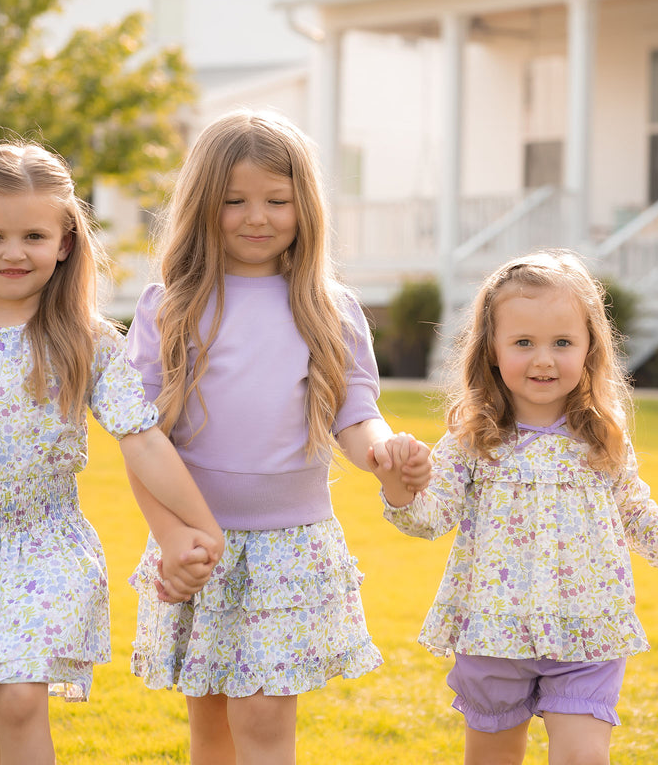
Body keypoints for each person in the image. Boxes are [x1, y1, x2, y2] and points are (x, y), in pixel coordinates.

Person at [0, 141, 224, 765]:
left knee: (18, 702)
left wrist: (201, 524)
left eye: (34, 235)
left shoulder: (83, 342)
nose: (14, 252)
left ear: (64, 242)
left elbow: (142, 439)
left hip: (45, 547)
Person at [125, 108, 430, 764]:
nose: (256, 217)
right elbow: (141, 441)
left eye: (276, 200)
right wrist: (172, 535)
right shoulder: (168, 308)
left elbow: (355, 412)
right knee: (211, 721)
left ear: (305, 206)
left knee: (262, 718)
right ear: (203, 205)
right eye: (234, 200)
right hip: (196, 542)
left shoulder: (328, 308)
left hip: (289, 548)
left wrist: (383, 452)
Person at [377, 250, 658, 765]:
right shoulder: (473, 439)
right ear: (492, 350)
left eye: (562, 343)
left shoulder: (602, 436)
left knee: (584, 756)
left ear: (589, 347)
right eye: (523, 343)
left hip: (587, 630)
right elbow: (430, 517)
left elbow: (634, 511)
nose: (543, 360)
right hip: (494, 631)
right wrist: (400, 487)